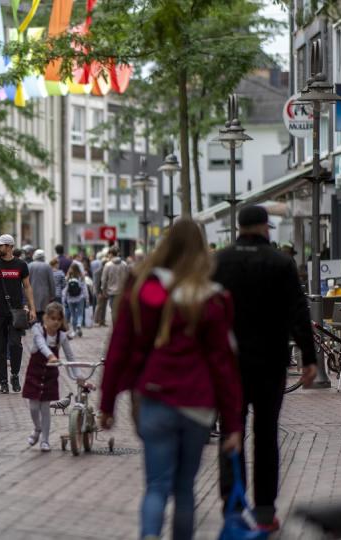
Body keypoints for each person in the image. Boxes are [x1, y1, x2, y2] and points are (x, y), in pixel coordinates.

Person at [99, 219, 244, 540]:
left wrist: (107, 403)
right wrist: (233, 424)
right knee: (184, 490)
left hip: (155, 396)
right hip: (197, 403)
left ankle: (149, 536)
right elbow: (223, 364)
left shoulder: (143, 288)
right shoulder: (211, 297)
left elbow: (119, 348)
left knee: (156, 486)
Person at [213, 205, 317, 531]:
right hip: (270, 363)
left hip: (229, 363)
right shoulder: (281, 263)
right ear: (265, 228)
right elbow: (297, 312)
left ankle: (233, 504)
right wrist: (309, 357)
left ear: (239, 227)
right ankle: (264, 509)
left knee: (232, 430)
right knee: (266, 433)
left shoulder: (219, 262)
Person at [0, 234, 37, 394]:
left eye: (1, 245)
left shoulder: (21, 265)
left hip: (17, 312)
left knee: (15, 345)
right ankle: (3, 382)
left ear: (9, 247)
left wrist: (32, 308)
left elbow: (27, 287)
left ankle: (14, 374)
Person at [23, 303, 74, 452]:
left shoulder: (62, 336)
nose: (56, 322)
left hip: (50, 376)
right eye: (52, 318)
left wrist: (78, 376)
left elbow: (70, 358)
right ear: (46, 318)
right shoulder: (38, 330)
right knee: (33, 407)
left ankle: (45, 440)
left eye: (59, 319)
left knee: (45, 408)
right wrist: (51, 356)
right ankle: (37, 428)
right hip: (35, 374)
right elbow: (42, 345)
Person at [100, 246, 130, 323]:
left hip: (112, 292)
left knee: (113, 311)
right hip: (122, 292)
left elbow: (103, 280)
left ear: (111, 254)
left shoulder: (107, 265)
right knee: (121, 311)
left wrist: (103, 290)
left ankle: (116, 329)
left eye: (109, 254)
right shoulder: (124, 264)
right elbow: (128, 278)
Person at [62, 264, 88, 338]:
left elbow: (65, 290)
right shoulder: (81, 277)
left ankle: (74, 331)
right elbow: (84, 288)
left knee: (73, 315)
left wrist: (64, 299)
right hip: (80, 298)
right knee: (80, 313)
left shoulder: (68, 278)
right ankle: (79, 324)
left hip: (70, 299)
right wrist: (87, 298)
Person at [28, 249, 54, 322]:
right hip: (45, 293)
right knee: (43, 311)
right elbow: (51, 281)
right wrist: (53, 294)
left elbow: (26, 281)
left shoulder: (29, 266)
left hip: (32, 292)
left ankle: (35, 325)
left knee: (34, 309)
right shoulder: (47, 266)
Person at [92, 249, 108, 327]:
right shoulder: (98, 272)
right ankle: (96, 320)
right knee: (99, 306)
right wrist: (98, 292)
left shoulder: (105, 272)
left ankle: (102, 321)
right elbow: (96, 283)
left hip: (105, 291)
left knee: (104, 307)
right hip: (100, 292)